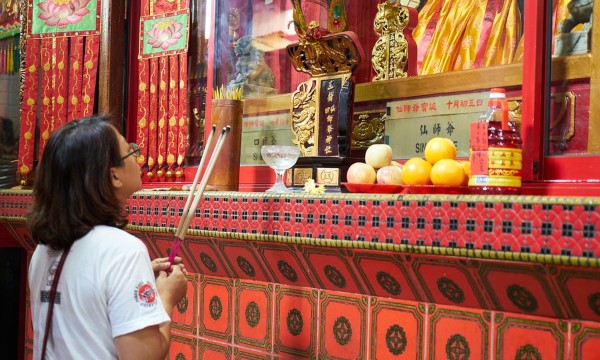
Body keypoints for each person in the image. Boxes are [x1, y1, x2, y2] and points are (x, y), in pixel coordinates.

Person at [27, 115, 188, 359]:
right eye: (129, 151)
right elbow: (143, 356)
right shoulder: (123, 251)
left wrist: (138, 275)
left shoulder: (42, 250)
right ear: (114, 176)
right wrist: (165, 297)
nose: (137, 157)